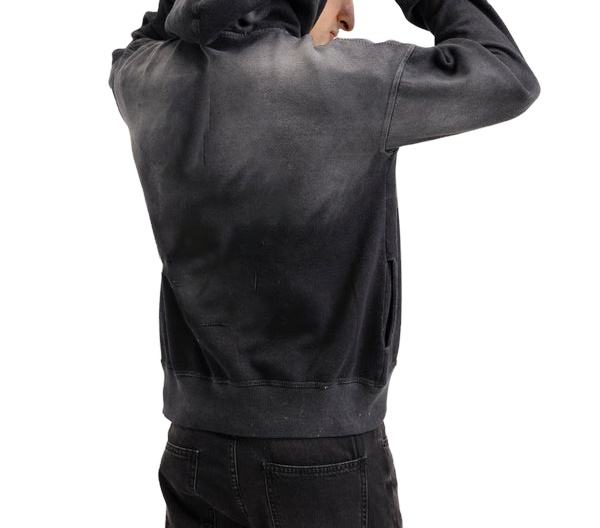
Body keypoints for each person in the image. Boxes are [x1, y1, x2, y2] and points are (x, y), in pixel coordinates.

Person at [108, 0, 540, 526]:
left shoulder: (149, 78)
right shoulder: (354, 82)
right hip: (322, 464)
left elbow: (153, 32)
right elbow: (507, 75)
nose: (349, 17)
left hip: (194, 452)